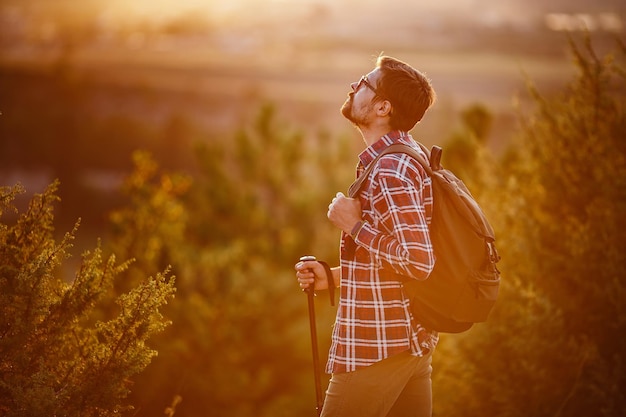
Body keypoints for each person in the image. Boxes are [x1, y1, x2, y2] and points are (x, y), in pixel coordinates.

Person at [295, 55, 438, 417]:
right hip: (407, 344)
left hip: (376, 348)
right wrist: (334, 278)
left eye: (363, 82)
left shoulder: (391, 167)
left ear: (383, 107)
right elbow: (396, 263)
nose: (354, 86)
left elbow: (418, 261)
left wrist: (353, 226)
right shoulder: (407, 155)